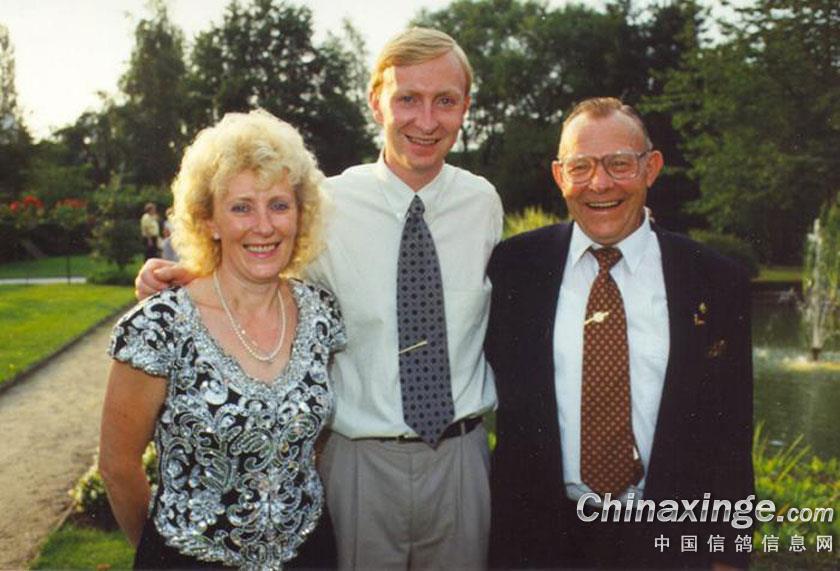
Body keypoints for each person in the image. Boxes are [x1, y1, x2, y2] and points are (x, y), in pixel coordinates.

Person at [134, 28, 502, 569]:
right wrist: (185, 272)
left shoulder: (483, 203)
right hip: (359, 465)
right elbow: (263, 260)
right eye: (408, 98)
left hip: (461, 462)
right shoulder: (328, 204)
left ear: (465, 107)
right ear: (376, 101)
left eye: (445, 101)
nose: (426, 120)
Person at [486, 97, 754, 569]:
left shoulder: (714, 279)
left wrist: (729, 554)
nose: (600, 183)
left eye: (619, 164)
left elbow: (730, 432)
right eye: (581, 166)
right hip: (539, 541)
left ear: (651, 168)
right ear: (559, 176)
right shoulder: (515, 268)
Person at [99, 109, 345, 569]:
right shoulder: (158, 326)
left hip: (309, 555)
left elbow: (313, 441)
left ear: (300, 214)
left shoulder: (321, 315)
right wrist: (159, 555)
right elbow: (117, 467)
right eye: (241, 207)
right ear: (209, 219)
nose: (264, 226)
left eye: (279, 205)